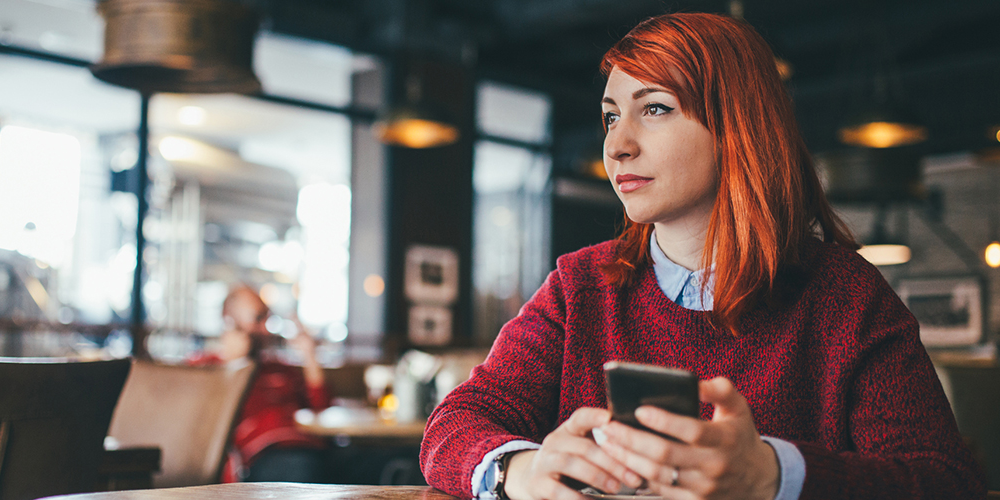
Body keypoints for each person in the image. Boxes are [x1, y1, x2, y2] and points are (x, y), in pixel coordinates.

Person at [419, 12, 986, 500]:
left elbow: (944, 480)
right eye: (611, 115)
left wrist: (772, 475)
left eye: (656, 108)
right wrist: (523, 470)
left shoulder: (846, 295)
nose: (617, 144)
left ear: (737, 126)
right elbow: (454, 425)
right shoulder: (581, 285)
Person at [186, 285, 331, 483]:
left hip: (313, 448)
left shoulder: (279, 368)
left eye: (267, 318)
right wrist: (232, 364)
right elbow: (196, 421)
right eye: (258, 318)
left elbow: (321, 410)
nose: (265, 328)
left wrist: (309, 356)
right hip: (261, 456)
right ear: (229, 320)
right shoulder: (206, 368)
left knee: (382, 465)